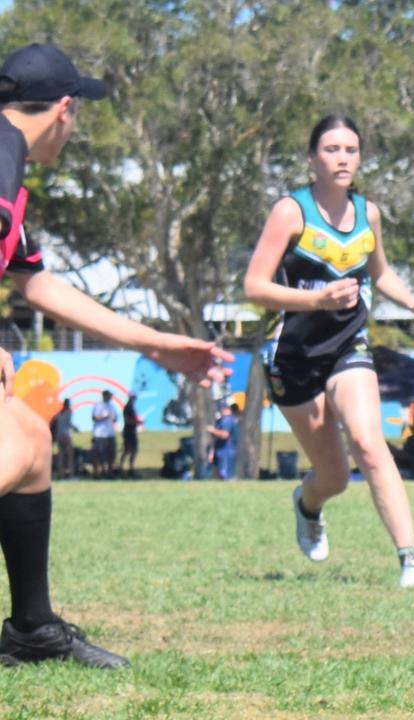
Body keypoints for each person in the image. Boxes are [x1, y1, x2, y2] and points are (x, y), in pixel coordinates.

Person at [0, 43, 231, 669]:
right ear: (65, 109)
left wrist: (155, 343)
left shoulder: (8, 167)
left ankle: (31, 627)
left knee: (27, 434)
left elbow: (38, 282)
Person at [244, 114, 414, 588]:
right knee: (333, 477)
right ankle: (308, 504)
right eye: (331, 149)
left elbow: (380, 272)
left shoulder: (367, 212)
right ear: (312, 159)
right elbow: (253, 286)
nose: (342, 158)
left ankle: (410, 556)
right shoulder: (290, 212)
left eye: (350, 150)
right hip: (291, 356)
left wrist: (413, 300)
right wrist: (315, 300)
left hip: (349, 345)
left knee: (370, 445)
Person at [207, 402, 239, 481]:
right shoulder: (222, 420)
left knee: (226, 476)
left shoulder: (227, 420)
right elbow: (216, 439)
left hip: (226, 452)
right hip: (220, 451)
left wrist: (213, 430)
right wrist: (212, 451)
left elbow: (225, 435)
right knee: (217, 476)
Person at [90, 390, 117, 479]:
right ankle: (97, 473)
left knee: (111, 454)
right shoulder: (98, 406)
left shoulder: (112, 406)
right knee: (98, 455)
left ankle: (109, 473)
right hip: (99, 434)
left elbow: (115, 418)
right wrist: (104, 417)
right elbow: (94, 417)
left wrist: (112, 417)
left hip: (110, 433)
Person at [49, 399, 74, 479]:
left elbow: (52, 420)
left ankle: (61, 475)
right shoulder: (69, 412)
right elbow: (69, 423)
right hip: (66, 435)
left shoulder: (59, 413)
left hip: (59, 435)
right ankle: (71, 475)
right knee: (70, 456)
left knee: (61, 456)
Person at [118, 393, 140, 478]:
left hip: (132, 432)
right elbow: (127, 420)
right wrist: (136, 422)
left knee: (133, 451)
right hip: (128, 432)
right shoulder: (127, 407)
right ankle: (121, 468)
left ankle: (131, 469)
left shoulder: (131, 407)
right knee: (127, 450)